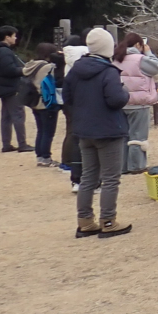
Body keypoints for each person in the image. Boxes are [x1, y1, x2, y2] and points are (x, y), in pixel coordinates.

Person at [63, 28, 132, 238]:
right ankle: (108, 221)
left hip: (84, 130)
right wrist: (125, 91)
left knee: (88, 177)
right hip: (109, 130)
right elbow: (116, 100)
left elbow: (67, 97)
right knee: (111, 178)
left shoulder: (75, 70)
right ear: (108, 47)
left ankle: (85, 221)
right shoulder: (108, 71)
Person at [114, 33, 158, 174]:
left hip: (122, 102)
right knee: (138, 137)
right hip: (139, 103)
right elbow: (157, 67)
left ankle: (123, 166)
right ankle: (136, 166)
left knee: (124, 135)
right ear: (137, 45)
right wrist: (148, 52)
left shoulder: (117, 58)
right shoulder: (141, 59)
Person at [0, 25, 33, 153]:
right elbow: (9, 70)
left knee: (6, 116)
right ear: (7, 37)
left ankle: (6, 144)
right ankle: (22, 144)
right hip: (11, 87)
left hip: (3, 87)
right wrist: (24, 71)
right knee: (18, 115)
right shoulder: (4, 51)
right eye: (14, 36)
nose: (15, 38)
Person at [23, 43, 64, 167]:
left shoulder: (31, 65)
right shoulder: (48, 67)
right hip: (47, 102)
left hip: (35, 101)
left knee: (41, 130)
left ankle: (40, 156)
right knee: (48, 132)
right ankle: (46, 157)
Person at [61, 36, 89, 191]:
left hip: (72, 106)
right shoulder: (91, 60)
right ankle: (92, 179)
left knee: (73, 135)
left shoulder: (69, 63)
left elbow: (66, 93)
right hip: (89, 106)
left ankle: (74, 176)